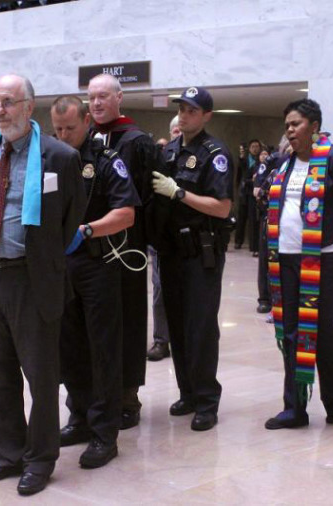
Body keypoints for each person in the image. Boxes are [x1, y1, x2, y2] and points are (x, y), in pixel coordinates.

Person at [0, 74, 85, 496]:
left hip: (32, 280)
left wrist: (41, 258)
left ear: (28, 106)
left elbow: (72, 219)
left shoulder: (59, 156)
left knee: (41, 376)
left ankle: (40, 458)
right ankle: (8, 452)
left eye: (8, 102)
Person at [264, 99, 333, 431]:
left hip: (326, 257)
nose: (290, 131)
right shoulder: (285, 162)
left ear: (314, 125)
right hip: (287, 257)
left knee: (320, 327)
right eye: (287, 126)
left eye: (295, 124)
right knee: (292, 331)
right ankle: (294, 408)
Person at [51, 95, 140, 468]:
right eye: (57, 129)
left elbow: (126, 214)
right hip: (60, 267)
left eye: (70, 127)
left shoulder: (105, 161)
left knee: (103, 349)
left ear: (86, 121)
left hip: (97, 264)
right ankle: (80, 416)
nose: (64, 134)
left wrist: (88, 230)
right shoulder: (49, 162)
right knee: (70, 348)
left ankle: (105, 433)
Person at [148, 87, 233, 431]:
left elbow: (222, 207)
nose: (184, 116)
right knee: (178, 326)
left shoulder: (215, 154)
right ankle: (186, 392)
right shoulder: (168, 150)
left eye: (191, 111)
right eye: (181, 109)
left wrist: (180, 193)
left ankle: (206, 401)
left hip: (201, 252)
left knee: (200, 327)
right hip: (170, 251)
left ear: (207, 116)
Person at [88, 73, 161, 429]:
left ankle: (128, 396)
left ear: (119, 98)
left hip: (127, 248)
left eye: (103, 97)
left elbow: (146, 197)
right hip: (89, 249)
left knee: (129, 321)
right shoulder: (82, 139)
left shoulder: (137, 142)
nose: (97, 103)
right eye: (92, 98)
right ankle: (91, 394)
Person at [146, 115, 180, 362]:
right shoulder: (161, 157)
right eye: (176, 130)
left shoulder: (201, 156)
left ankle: (184, 339)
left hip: (189, 238)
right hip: (162, 236)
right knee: (159, 290)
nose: (179, 134)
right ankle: (161, 340)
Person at [254, 137, 289, 315]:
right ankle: (265, 298)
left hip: (292, 222)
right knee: (266, 259)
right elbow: (257, 190)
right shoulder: (274, 160)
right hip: (271, 216)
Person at [234, 139, 262, 253]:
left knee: (252, 219)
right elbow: (239, 175)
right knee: (241, 218)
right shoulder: (245, 159)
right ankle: (238, 241)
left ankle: (253, 244)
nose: (255, 149)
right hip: (243, 192)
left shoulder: (261, 161)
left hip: (253, 193)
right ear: (249, 148)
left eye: (257, 146)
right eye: (253, 146)